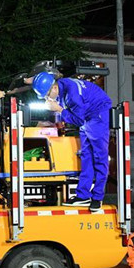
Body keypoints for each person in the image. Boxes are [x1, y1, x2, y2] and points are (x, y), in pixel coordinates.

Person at [30, 72, 111, 211]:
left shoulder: (72, 95)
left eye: (47, 95)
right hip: (87, 115)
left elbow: (78, 120)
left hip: (98, 113)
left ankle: (97, 197)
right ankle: (83, 195)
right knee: (86, 156)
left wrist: (59, 109)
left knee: (99, 157)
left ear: (54, 88)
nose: (47, 99)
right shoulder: (61, 85)